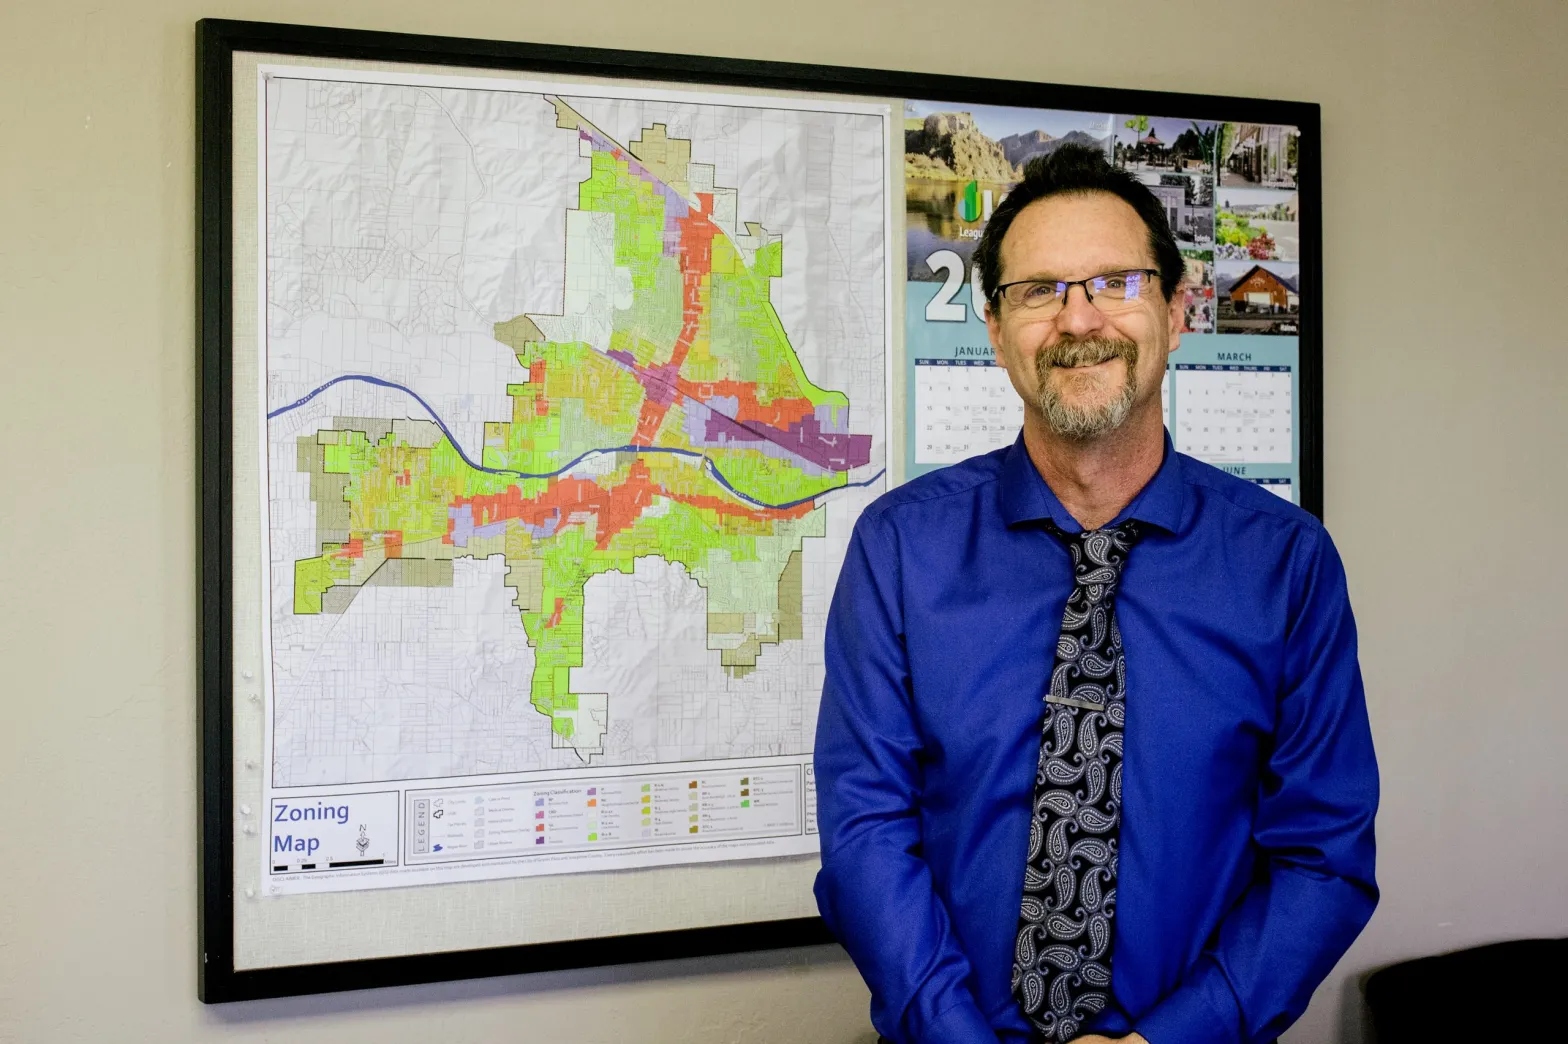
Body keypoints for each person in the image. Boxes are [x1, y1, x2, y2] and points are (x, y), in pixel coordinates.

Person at [813, 145, 1377, 1044]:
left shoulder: (1286, 565)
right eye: (1039, 291)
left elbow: (1324, 857)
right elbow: (866, 833)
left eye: (1115, 281)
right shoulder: (902, 550)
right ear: (995, 331)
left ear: (1177, 311)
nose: (1080, 319)